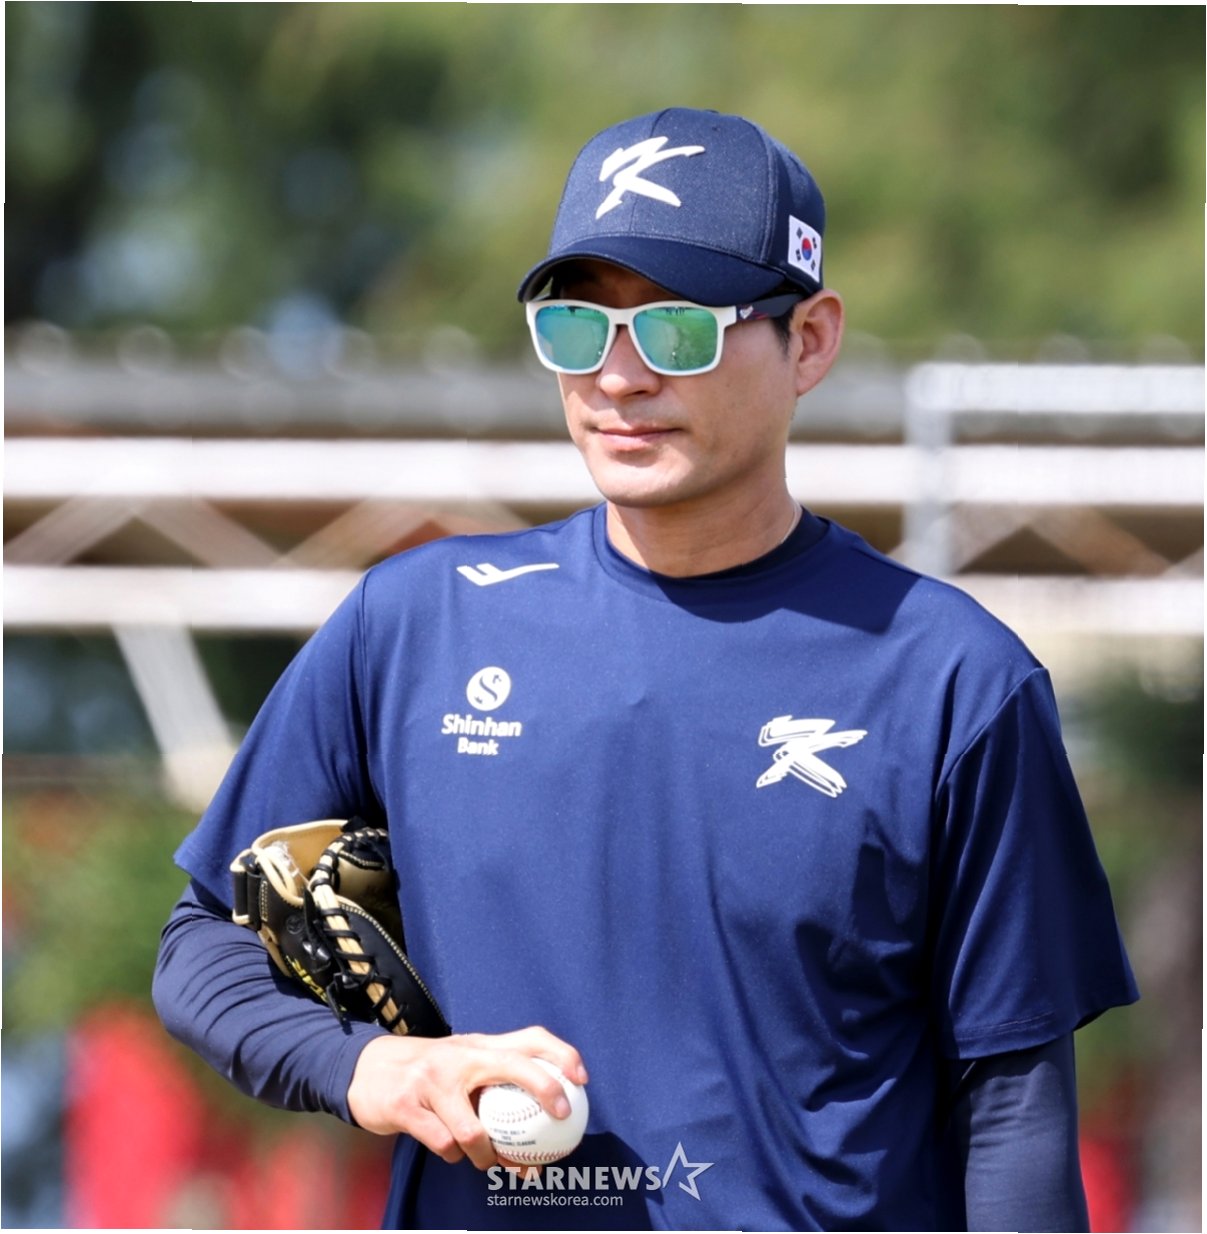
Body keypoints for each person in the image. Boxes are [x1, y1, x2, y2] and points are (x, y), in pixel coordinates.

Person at [153, 107, 1138, 1232]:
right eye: (576, 328)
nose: (617, 377)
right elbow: (205, 941)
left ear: (809, 341)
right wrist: (372, 1067)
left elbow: (1013, 1112)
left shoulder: (953, 678)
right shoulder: (415, 624)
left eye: (676, 330)